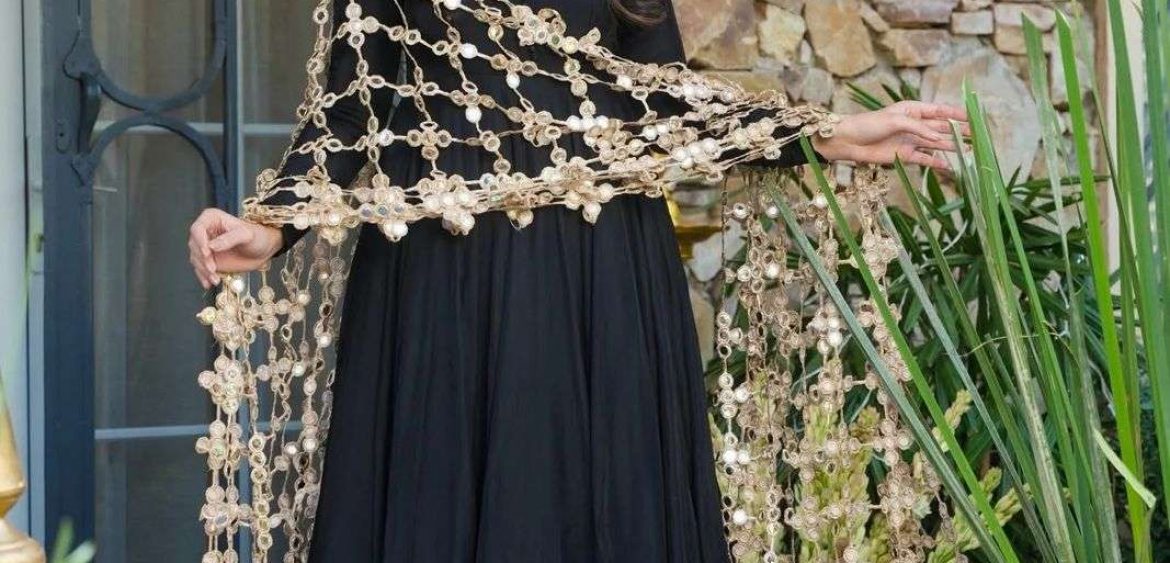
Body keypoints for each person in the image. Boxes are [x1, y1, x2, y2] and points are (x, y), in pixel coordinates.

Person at [187, 0, 967, 561]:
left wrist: (824, 134)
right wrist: (275, 224)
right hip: (445, 274)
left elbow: (664, 101)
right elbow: (349, 111)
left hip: (600, 274)